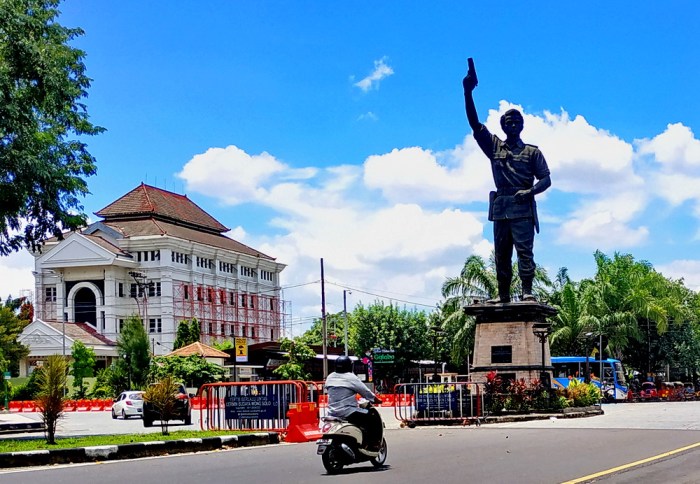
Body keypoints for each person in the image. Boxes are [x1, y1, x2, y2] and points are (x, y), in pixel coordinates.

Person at [463, 58, 551, 304]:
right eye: (508, 122)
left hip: (523, 207)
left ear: (522, 126)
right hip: (501, 207)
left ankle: (527, 292)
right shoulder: (494, 147)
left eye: (517, 122)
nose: (513, 125)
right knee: (501, 255)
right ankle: (502, 296)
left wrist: (531, 192)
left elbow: (546, 178)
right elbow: (474, 123)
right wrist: (467, 91)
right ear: (503, 126)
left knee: (525, 253)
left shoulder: (532, 152)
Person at [325, 355, 383, 451]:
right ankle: (374, 444)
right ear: (349, 366)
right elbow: (365, 392)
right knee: (372, 416)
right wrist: (376, 400)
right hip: (348, 411)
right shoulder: (351, 377)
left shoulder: (330, 377)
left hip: (332, 412)